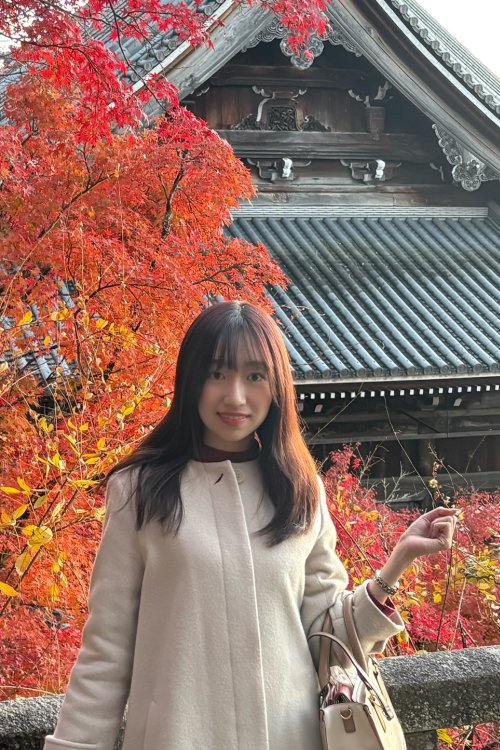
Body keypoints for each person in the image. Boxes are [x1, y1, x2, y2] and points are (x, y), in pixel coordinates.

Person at [43, 301, 456, 750]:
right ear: (191, 380)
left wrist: (396, 564)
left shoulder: (299, 489)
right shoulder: (140, 490)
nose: (235, 397)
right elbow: (107, 648)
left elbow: (324, 634)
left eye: (255, 376)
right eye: (217, 373)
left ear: (276, 386)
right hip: (177, 736)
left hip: (290, 736)